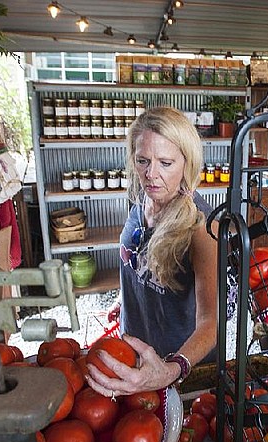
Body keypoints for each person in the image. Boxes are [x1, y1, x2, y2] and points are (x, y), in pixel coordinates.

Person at [85, 106, 218, 398]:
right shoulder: (140, 204)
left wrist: (173, 369)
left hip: (179, 371)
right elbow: (139, 258)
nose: (151, 175)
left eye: (166, 163)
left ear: (187, 162)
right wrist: (127, 296)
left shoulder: (202, 228)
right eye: (143, 161)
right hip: (134, 358)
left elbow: (212, 323)